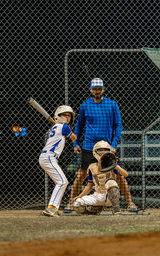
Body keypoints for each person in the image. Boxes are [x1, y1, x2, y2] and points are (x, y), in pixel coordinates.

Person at [68, 78, 138, 212]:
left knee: (118, 175)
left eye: (99, 89)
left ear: (103, 89)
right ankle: (71, 203)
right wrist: (75, 143)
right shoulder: (85, 105)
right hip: (89, 146)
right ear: (90, 90)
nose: (97, 91)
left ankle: (130, 203)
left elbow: (118, 126)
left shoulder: (112, 104)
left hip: (106, 148)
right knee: (81, 175)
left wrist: (114, 144)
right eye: (94, 89)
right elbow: (79, 126)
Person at [39, 105, 78, 217]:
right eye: (64, 115)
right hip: (49, 157)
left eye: (69, 115)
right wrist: (72, 135)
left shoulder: (55, 127)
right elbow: (73, 137)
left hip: (47, 157)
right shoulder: (64, 127)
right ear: (58, 116)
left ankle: (53, 207)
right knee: (62, 182)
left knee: (61, 182)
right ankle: (51, 208)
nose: (67, 117)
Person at [70, 141, 128, 215]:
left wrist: (116, 166)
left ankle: (116, 209)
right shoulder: (92, 166)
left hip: (110, 196)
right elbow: (89, 186)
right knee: (77, 204)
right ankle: (95, 210)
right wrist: (79, 196)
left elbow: (125, 174)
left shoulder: (112, 163)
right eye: (100, 150)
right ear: (95, 152)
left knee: (111, 182)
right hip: (97, 195)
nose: (102, 152)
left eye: (105, 150)